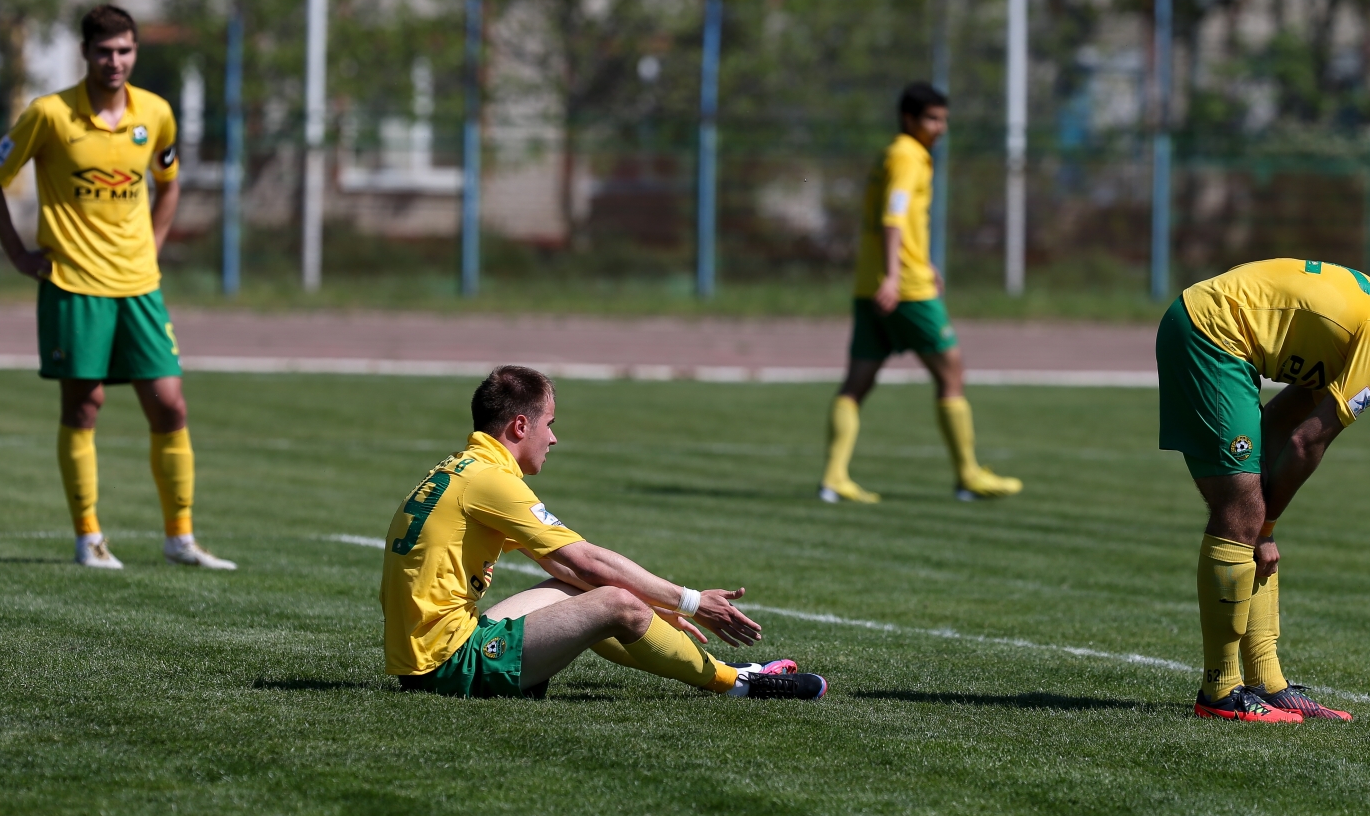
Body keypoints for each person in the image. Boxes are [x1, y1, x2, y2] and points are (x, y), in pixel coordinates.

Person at [1159, 258, 1370, 722]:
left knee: (1251, 507)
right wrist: (1265, 527)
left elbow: (1282, 420)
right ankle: (1219, 693)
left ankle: (1267, 683)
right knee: (1242, 516)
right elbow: (1307, 442)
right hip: (1211, 334)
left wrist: (1263, 508)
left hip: (1221, 335)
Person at [381, 365, 827, 701]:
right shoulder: (491, 481)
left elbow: (567, 568)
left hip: (428, 654)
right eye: (549, 424)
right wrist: (691, 602)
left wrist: (655, 607)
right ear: (520, 426)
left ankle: (727, 669)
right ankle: (737, 684)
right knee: (615, 602)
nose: (552, 439)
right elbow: (588, 560)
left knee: (584, 589)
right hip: (447, 667)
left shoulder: (460, 469)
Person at [0, 5, 233, 571]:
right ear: (85, 53)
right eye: (104, 51)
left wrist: (154, 243)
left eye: (125, 51)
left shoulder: (156, 114)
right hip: (72, 283)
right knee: (84, 405)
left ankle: (180, 538)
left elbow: (168, 181)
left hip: (140, 285)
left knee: (170, 404)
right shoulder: (49, 115)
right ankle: (89, 536)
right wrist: (18, 253)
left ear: (135, 52)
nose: (114, 61)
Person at [819, 82, 1021, 504]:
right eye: (932, 119)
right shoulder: (908, 157)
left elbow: (894, 222)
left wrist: (917, 262)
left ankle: (834, 478)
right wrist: (898, 276)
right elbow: (893, 218)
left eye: (944, 119)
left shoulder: (891, 154)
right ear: (909, 119)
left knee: (857, 381)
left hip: (869, 283)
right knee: (951, 372)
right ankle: (967, 474)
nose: (940, 128)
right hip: (906, 290)